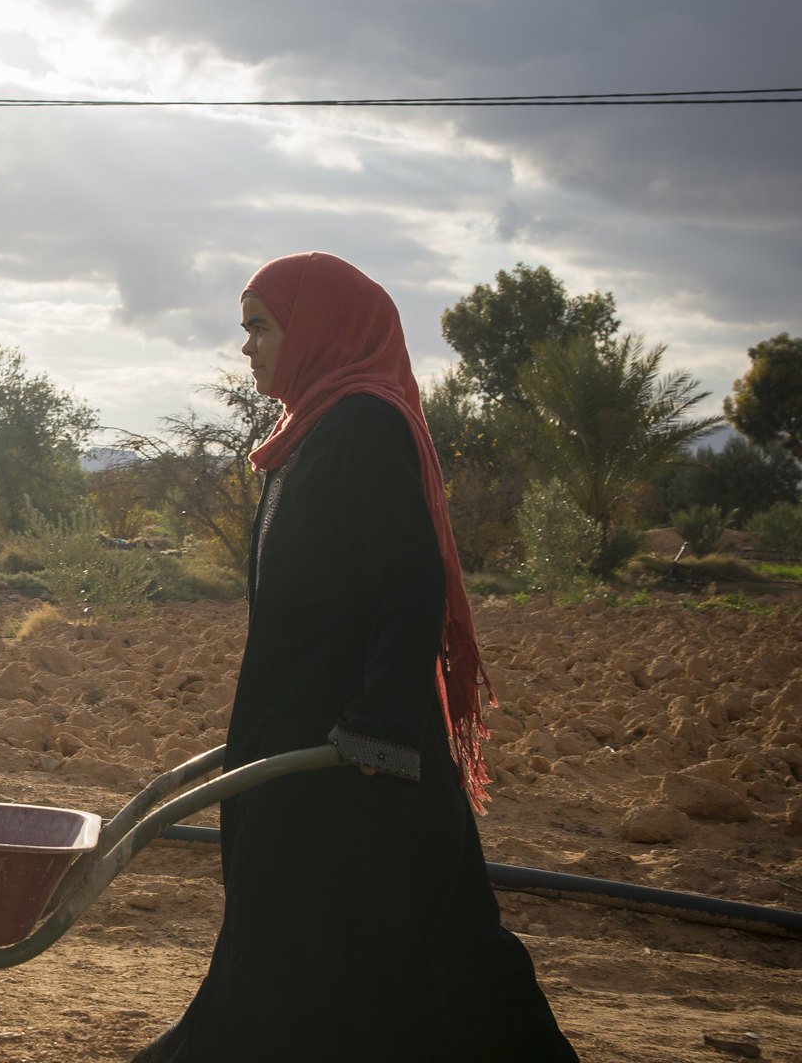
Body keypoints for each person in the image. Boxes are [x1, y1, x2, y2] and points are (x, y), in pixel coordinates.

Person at [132, 252, 577, 1062]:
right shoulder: (306, 434)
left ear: (318, 328)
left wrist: (372, 733)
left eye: (260, 328)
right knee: (321, 951)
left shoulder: (362, 428)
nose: (248, 348)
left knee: (418, 952)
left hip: (353, 767)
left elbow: (407, 584)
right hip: (302, 745)